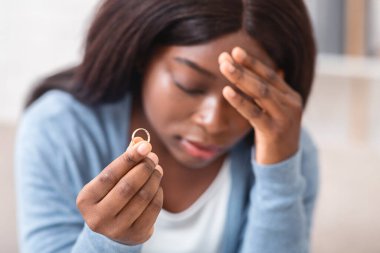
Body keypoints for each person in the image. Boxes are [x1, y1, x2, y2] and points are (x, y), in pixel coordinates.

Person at [15, 0, 319, 252]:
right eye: (189, 86)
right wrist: (107, 243)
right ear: (141, 56)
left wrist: (279, 171)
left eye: (242, 96)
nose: (213, 122)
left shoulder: (285, 148)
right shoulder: (58, 130)